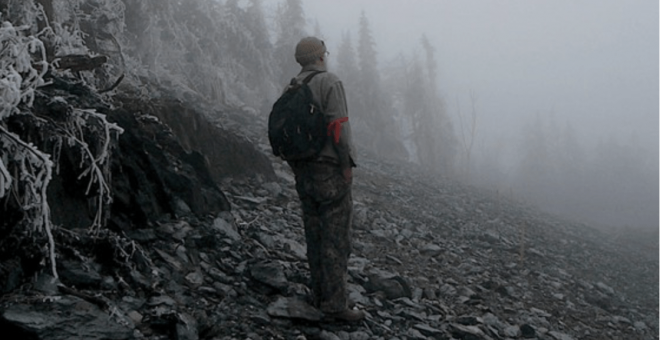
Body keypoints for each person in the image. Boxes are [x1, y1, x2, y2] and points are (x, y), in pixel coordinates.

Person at [285, 36, 363, 322]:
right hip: (329, 169)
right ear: (319, 56)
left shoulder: (293, 86)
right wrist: (346, 165)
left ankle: (319, 294)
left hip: (302, 170)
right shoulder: (329, 82)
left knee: (314, 233)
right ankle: (335, 305)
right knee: (336, 237)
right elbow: (338, 128)